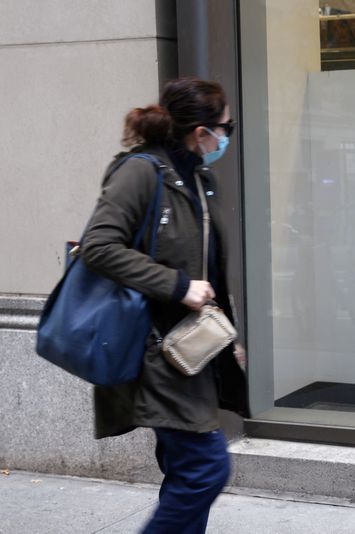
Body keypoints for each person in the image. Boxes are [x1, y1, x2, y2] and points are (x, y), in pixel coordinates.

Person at [81, 77, 249, 533]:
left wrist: (227, 340)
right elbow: (98, 246)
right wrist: (176, 286)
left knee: (185, 474)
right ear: (201, 133)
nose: (227, 137)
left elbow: (208, 267)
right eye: (226, 127)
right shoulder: (141, 172)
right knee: (205, 470)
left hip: (192, 349)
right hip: (156, 353)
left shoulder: (196, 178)